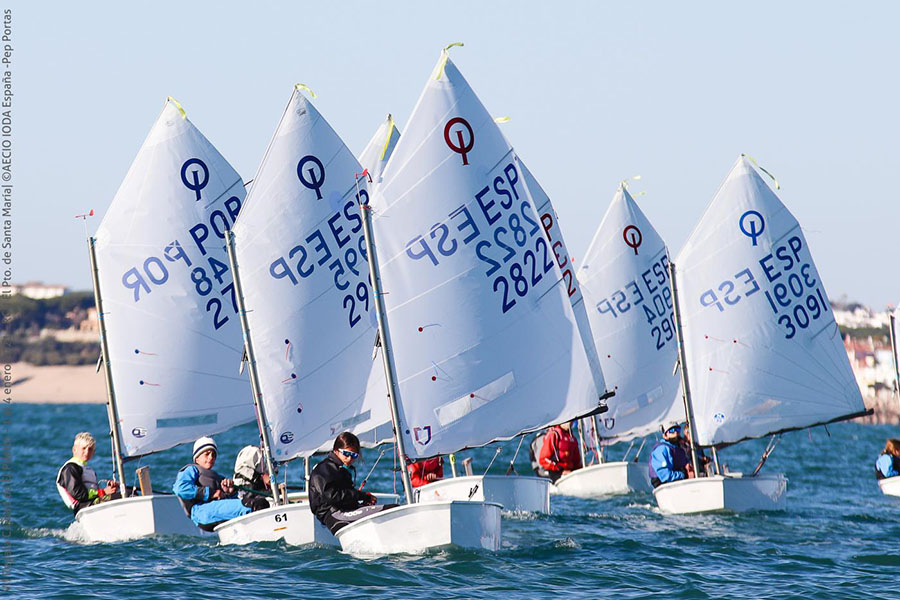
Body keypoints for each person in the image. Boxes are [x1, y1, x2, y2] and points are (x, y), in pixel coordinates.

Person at [308, 432, 397, 534]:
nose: (350, 458)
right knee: (392, 510)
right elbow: (332, 496)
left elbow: (343, 496)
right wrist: (361, 496)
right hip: (335, 514)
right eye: (346, 454)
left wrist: (361, 501)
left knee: (393, 508)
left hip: (345, 511)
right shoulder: (324, 469)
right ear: (336, 451)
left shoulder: (341, 469)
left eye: (354, 455)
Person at [173, 436, 259, 531]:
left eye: (213, 455)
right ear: (197, 458)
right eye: (207, 454)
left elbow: (227, 500)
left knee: (258, 502)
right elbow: (180, 488)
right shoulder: (191, 470)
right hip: (201, 512)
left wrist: (230, 492)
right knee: (253, 505)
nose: (211, 457)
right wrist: (211, 493)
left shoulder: (217, 477)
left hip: (215, 509)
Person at [56, 432, 120, 514]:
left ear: (93, 452)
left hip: (93, 503)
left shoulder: (87, 469)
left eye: (90, 449)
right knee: (128, 494)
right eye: (83, 448)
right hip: (84, 507)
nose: (86, 452)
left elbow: (93, 491)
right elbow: (78, 494)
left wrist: (111, 489)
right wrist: (103, 492)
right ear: (74, 449)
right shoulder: (70, 468)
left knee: (128, 491)